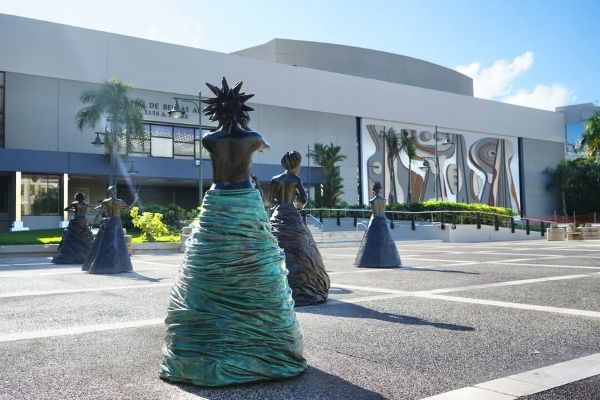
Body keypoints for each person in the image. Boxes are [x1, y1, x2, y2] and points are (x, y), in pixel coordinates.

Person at [160, 77, 306, 387]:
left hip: (217, 200)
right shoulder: (253, 137)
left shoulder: (209, 139)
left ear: (216, 111)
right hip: (243, 200)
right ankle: (259, 348)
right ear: (243, 111)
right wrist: (252, 133)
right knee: (252, 262)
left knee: (210, 266)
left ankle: (208, 342)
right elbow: (265, 147)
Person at [269, 151, 330, 306]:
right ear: (296, 164)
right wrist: (298, 205)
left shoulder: (275, 179)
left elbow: (271, 201)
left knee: (275, 247)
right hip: (291, 214)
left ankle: (276, 286)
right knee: (301, 249)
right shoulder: (295, 180)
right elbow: (303, 200)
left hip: (277, 214)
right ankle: (303, 286)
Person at [82, 185, 134, 274]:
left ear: (109, 192)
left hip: (109, 221)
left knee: (106, 242)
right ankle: (118, 265)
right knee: (118, 242)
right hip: (117, 222)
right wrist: (135, 201)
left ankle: (104, 263)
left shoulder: (106, 201)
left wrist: (94, 222)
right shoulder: (119, 201)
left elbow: (99, 213)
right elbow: (129, 208)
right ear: (115, 192)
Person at [354, 181, 402, 268]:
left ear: (373, 190)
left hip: (374, 221)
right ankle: (388, 261)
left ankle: (371, 261)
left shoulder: (372, 201)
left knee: (371, 242)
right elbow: (383, 213)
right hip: (383, 221)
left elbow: (375, 213)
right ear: (380, 189)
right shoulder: (384, 200)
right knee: (386, 241)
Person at [52, 192, 94, 264]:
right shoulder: (86, 204)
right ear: (83, 197)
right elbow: (93, 209)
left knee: (72, 235)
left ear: (77, 197)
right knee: (85, 235)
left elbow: (66, 209)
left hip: (76, 220)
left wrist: (74, 210)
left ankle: (72, 253)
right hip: (83, 220)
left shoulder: (75, 203)